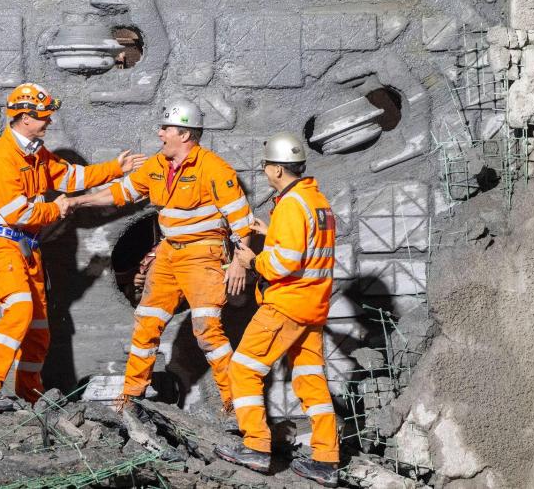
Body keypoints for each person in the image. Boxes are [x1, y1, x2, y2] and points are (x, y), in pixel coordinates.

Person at [68, 97, 253, 422]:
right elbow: (121, 192)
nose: (160, 133)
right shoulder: (157, 166)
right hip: (170, 252)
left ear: (184, 134)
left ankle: (237, 407)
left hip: (203, 253)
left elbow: (241, 219)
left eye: (165, 128)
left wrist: (240, 261)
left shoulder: (213, 168)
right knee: (146, 323)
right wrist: (80, 201)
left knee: (207, 330)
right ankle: (131, 399)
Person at [0, 83, 145, 412]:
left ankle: (30, 393)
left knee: (38, 328)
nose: (49, 122)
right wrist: (59, 209)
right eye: (44, 116)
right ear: (24, 118)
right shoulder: (4, 157)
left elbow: (69, 178)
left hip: (27, 248)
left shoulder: (34, 152)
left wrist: (115, 169)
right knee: (19, 311)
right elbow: (17, 213)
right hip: (3, 244)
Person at [214, 132, 340, 487]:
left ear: (279, 170)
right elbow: (309, 247)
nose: (265, 170)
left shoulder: (290, 205)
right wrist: (272, 232)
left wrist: (255, 262)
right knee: (310, 381)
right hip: (313, 307)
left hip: (286, 305)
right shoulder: (316, 202)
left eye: (267, 165)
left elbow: (285, 262)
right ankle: (327, 458)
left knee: (243, 369)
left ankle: (255, 447)